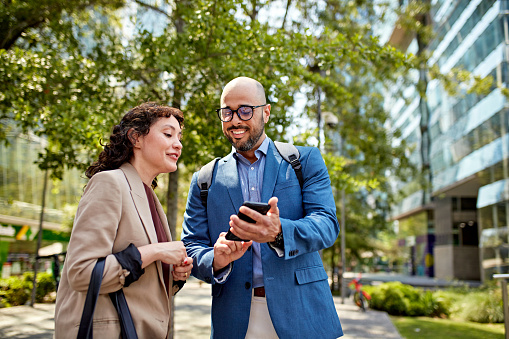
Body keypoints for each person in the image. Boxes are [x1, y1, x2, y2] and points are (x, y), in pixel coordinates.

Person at [181, 77, 343, 338]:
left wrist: (279, 233)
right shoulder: (204, 179)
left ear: (266, 113)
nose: (235, 120)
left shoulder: (305, 161)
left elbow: (326, 224)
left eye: (245, 110)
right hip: (234, 319)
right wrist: (217, 259)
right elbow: (191, 245)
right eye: (227, 112)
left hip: (302, 313)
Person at [55, 102, 193, 338]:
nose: (178, 144)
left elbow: (140, 285)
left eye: (179, 137)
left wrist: (174, 276)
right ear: (135, 138)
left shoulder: (150, 199)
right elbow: (81, 273)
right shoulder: (109, 183)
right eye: (168, 134)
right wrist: (156, 251)